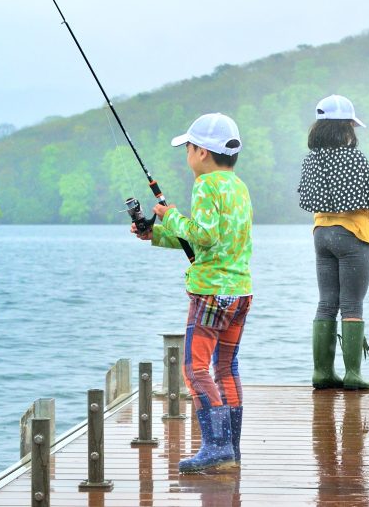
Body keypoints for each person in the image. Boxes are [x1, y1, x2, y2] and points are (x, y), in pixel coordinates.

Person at [133, 112, 253, 473]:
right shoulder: (238, 186)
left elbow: (202, 235)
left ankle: (216, 447)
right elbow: (213, 242)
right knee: (226, 369)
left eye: (188, 147)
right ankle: (230, 447)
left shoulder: (205, 186)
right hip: (240, 292)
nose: (187, 154)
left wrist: (168, 216)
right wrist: (155, 234)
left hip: (210, 295)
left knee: (195, 369)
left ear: (202, 152)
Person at [297, 95, 369, 391]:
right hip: (352, 239)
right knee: (351, 305)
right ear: (346, 127)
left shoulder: (312, 159)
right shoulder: (353, 158)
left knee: (326, 303)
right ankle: (353, 375)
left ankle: (322, 373)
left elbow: (332, 201)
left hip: (321, 236)